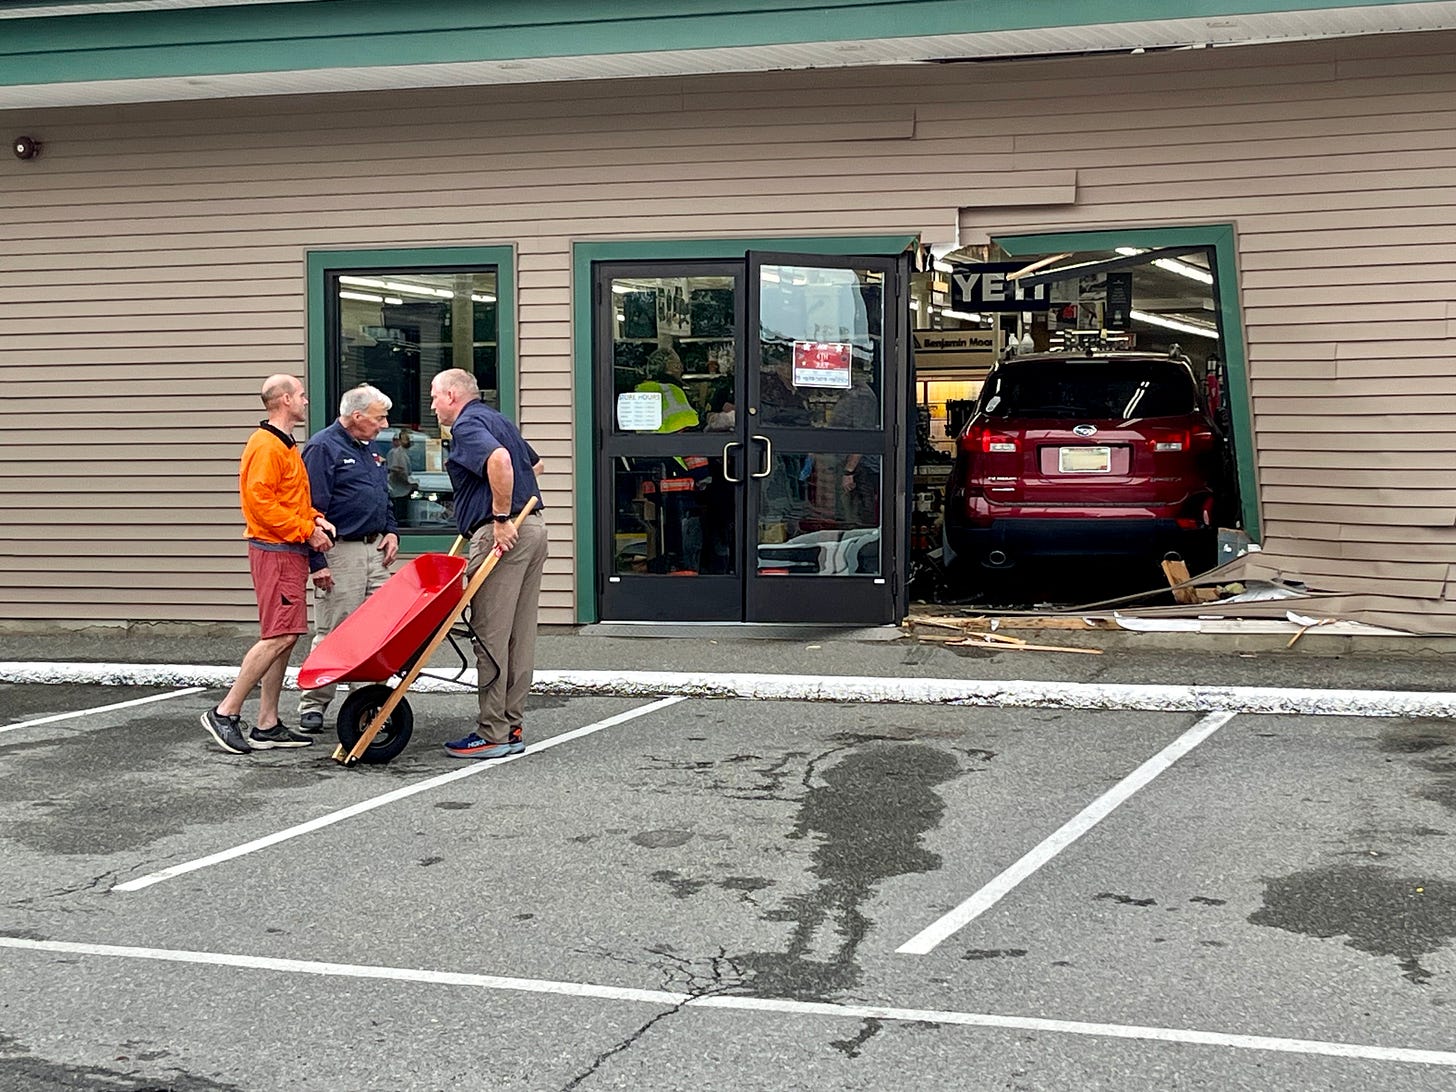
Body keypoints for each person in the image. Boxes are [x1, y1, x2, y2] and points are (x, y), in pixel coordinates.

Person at [200, 374, 335, 755]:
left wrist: (314, 518)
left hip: (286, 549)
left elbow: (288, 498)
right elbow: (261, 504)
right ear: (286, 400)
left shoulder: (285, 444)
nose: (306, 401)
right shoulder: (266, 446)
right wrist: (307, 531)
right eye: (302, 396)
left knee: (287, 634)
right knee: (278, 635)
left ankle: (268, 723)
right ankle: (225, 712)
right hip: (275, 550)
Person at [429, 368, 548, 759]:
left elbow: (499, 459)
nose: (432, 406)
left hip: (504, 533)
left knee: (491, 635)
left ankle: (492, 732)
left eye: (434, 397)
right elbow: (535, 464)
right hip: (532, 528)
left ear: (451, 395)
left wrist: (498, 518)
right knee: (519, 636)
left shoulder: (466, 425)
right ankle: (511, 725)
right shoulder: (498, 418)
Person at [296, 384, 401, 732]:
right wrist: (317, 564)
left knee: (377, 632)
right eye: (379, 417)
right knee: (333, 631)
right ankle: (313, 703)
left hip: (375, 551)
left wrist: (391, 530)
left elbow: (381, 494)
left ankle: (369, 703)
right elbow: (310, 511)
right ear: (357, 417)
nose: (384, 424)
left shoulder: (368, 448)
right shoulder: (323, 447)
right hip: (339, 552)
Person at [386, 429, 417, 524]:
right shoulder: (395, 453)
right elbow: (396, 470)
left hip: (403, 491)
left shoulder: (402, 452)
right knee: (400, 518)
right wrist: (408, 482)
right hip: (398, 491)